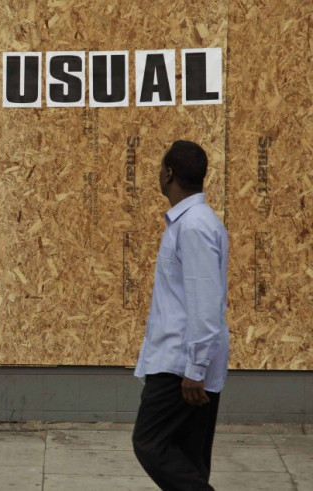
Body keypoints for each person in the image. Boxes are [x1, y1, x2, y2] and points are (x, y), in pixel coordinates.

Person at [132, 140, 229, 490]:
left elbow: (205, 303)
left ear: (169, 173)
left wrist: (195, 369)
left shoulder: (193, 227)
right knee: (189, 459)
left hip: (181, 368)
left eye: (160, 167)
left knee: (149, 443)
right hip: (188, 364)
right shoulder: (192, 222)